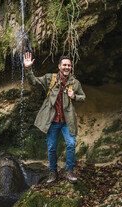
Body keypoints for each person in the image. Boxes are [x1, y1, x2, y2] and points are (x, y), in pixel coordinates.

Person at [23, 52, 86, 184]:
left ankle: (69, 172)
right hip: (52, 121)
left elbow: (83, 97)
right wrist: (28, 69)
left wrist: (74, 96)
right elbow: (34, 82)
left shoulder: (75, 83)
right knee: (51, 147)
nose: (67, 67)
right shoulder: (49, 79)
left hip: (67, 121)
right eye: (64, 65)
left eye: (69, 65)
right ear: (59, 66)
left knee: (71, 144)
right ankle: (53, 173)